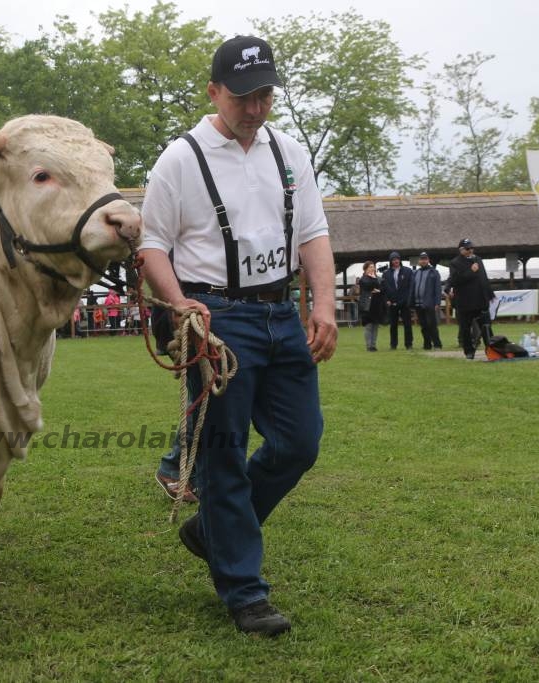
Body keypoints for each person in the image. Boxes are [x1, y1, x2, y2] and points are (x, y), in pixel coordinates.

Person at [139, 35, 336, 637]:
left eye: (265, 95)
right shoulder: (180, 158)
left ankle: (212, 533)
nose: (255, 108)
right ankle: (245, 591)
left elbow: (313, 234)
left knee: (299, 443)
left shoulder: (289, 152)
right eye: (243, 96)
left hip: (281, 314)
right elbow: (152, 244)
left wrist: (323, 303)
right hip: (218, 321)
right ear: (214, 91)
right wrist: (179, 304)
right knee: (223, 458)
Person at [447, 238, 494, 360]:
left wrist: (489, 294)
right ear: (461, 249)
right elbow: (455, 280)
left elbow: (483, 278)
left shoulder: (478, 259)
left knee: (486, 327)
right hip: (465, 302)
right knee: (465, 329)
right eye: (468, 248)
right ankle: (469, 351)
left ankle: (492, 349)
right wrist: (471, 271)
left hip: (480, 301)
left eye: (472, 248)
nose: (470, 250)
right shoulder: (454, 263)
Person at [380, 251, 414, 350]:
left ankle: (409, 344)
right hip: (392, 302)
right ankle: (393, 344)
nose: (396, 261)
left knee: (407, 324)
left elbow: (410, 287)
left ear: (400, 260)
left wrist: (407, 299)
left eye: (397, 259)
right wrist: (387, 300)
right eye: (394, 260)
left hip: (404, 302)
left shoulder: (408, 271)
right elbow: (383, 289)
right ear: (391, 261)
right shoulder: (386, 274)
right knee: (393, 325)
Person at [412, 252, 443, 350]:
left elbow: (438, 288)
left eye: (425, 259)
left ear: (428, 260)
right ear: (419, 261)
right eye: (421, 259)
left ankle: (437, 344)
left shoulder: (434, 272)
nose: (423, 261)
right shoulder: (416, 272)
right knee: (423, 325)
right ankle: (427, 344)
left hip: (430, 303)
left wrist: (437, 302)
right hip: (418, 303)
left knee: (432, 324)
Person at [357, 261, 386, 351]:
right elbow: (369, 286)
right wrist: (374, 282)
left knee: (375, 326)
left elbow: (382, 288)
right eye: (370, 267)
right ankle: (369, 346)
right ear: (365, 269)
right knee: (368, 326)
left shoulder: (377, 278)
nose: (372, 268)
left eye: (373, 267)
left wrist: (379, 290)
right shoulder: (363, 279)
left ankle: (373, 345)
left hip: (376, 305)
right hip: (367, 306)